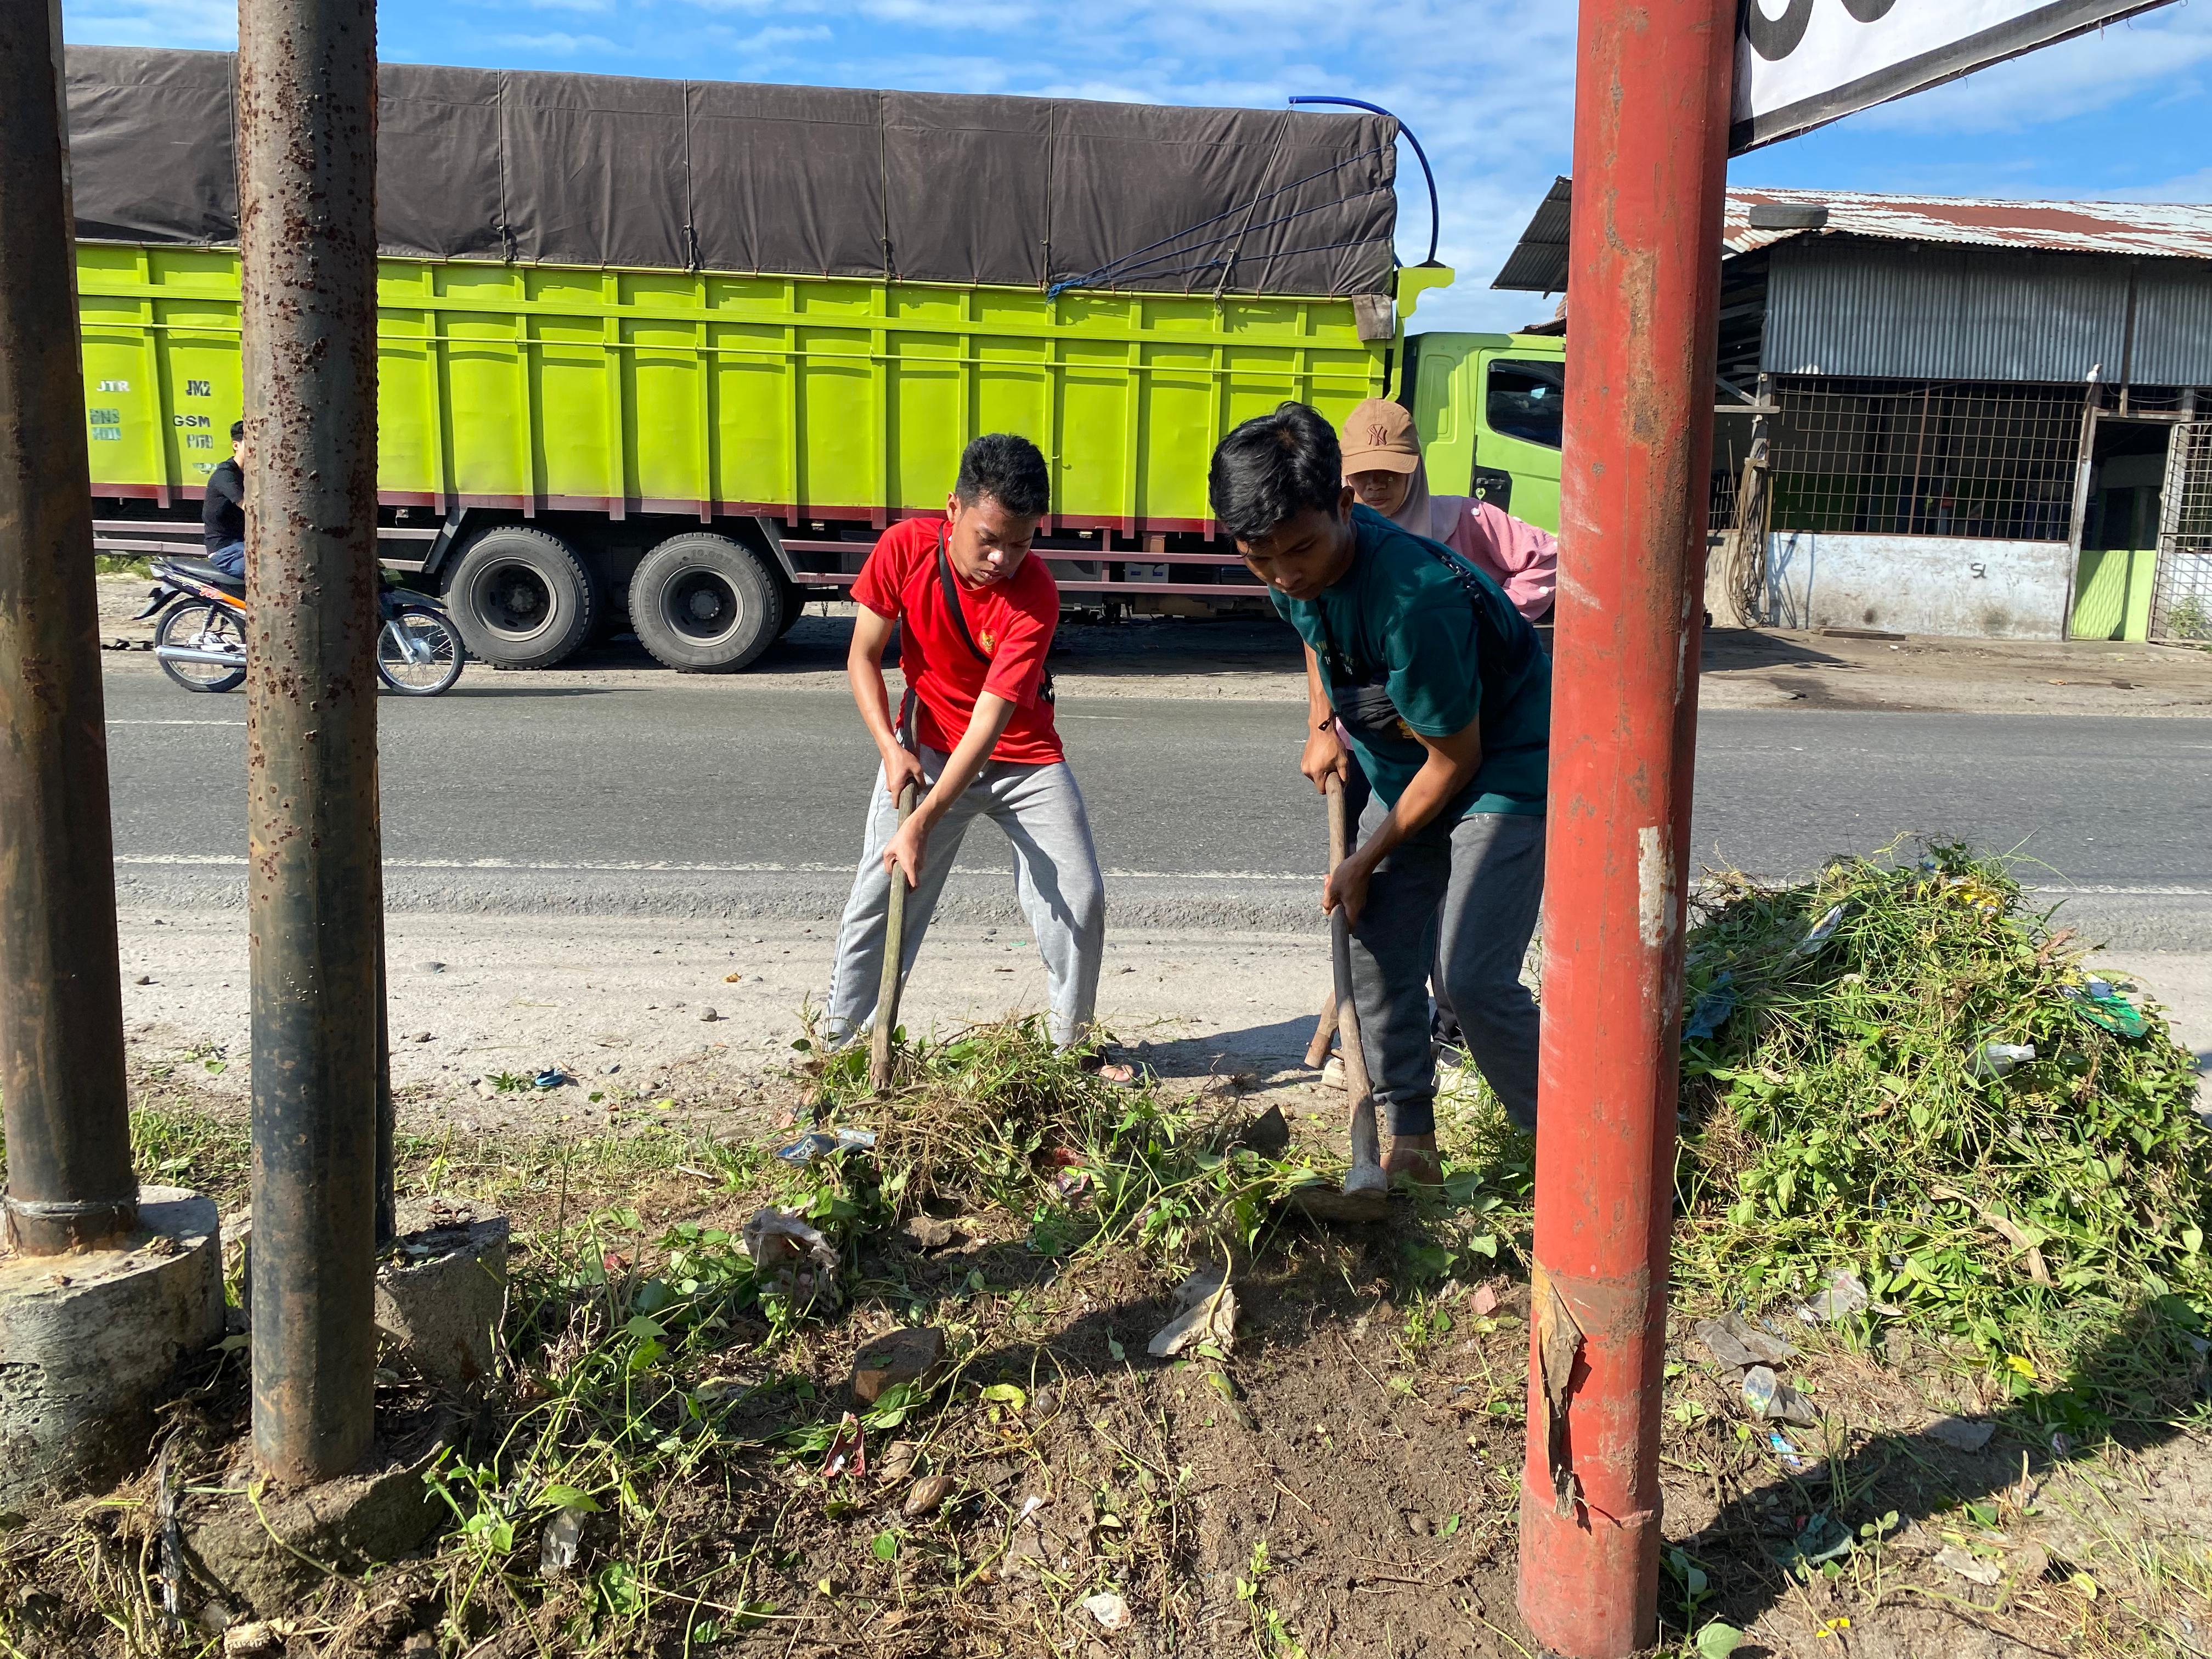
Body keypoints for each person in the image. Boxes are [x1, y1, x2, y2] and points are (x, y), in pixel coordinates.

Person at [1209, 402, 1550, 1181]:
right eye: (1261, 559)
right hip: (1414, 763)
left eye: (1300, 549)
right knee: (1371, 949)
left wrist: (1366, 856)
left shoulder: (1414, 598)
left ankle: (1585, 1160)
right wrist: (1322, 719)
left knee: (1469, 978)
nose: (1284, 574)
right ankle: (1412, 1146)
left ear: (1344, 505)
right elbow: (1309, 619)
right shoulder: (1287, 562)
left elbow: (1455, 762)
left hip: (1499, 769)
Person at [825, 433, 1128, 1078]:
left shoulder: (1036, 594)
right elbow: (861, 657)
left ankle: (1070, 1053)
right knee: (877, 899)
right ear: (953, 510)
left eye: (1020, 543)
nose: (1002, 558)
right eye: (989, 538)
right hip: (926, 749)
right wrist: (890, 749)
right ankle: (843, 1052)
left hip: (1024, 761)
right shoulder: (904, 549)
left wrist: (922, 822)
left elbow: (990, 725)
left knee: (1080, 896)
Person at [1338, 397, 1556, 624]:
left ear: (1415, 471)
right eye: (1362, 472)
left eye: (1389, 469)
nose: (1375, 483)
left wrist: (1492, 616)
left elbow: (1548, 556)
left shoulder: (1465, 519)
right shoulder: (1335, 539)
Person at [202, 420, 248, 578]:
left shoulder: (251, 474)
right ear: (236, 445)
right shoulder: (225, 475)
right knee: (263, 568)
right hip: (224, 551)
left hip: (242, 545)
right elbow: (249, 507)